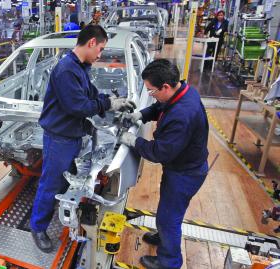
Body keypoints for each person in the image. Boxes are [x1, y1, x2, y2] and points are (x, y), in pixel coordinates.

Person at [30, 25, 136, 253]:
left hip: (73, 134)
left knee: (67, 179)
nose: (100, 54)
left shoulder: (80, 67)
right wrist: (107, 105)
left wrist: (110, 100)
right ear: (91, 43)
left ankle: (62, 209)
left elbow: (90, 94)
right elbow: (77, 106)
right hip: (60, 137)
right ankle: (38, 227)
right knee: (51, 183)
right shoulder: (66, 70)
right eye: (100, 48)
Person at [119, 59, 209, 269]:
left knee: (169, 218)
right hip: (184, 167)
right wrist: (141, 115)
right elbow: (161, 105)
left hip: (186, 173)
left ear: (166, 86)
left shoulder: (182, 115)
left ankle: (169, 262)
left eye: (152, 91)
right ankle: (163, 237)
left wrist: (134, 141)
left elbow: (160, 152)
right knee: (166, 210)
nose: (151, 94)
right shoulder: (183, 91)